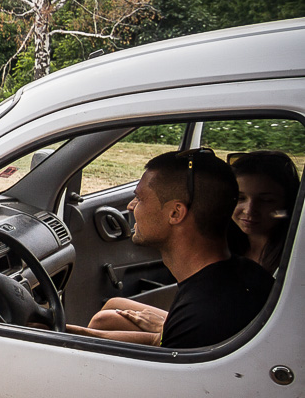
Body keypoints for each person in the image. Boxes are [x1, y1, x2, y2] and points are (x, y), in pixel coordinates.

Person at [71, 149, 275, 348]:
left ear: (176, 213)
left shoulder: (202, 317)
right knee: (113, 308)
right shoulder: (242, 271)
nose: (132, 206)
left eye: (140, 198)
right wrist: (77, 333)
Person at [229, 150, 298, 274]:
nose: (249, 210)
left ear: (287, 204)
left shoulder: (295, 258)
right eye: (240, 198)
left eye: (266, 200)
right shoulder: (218, 244)